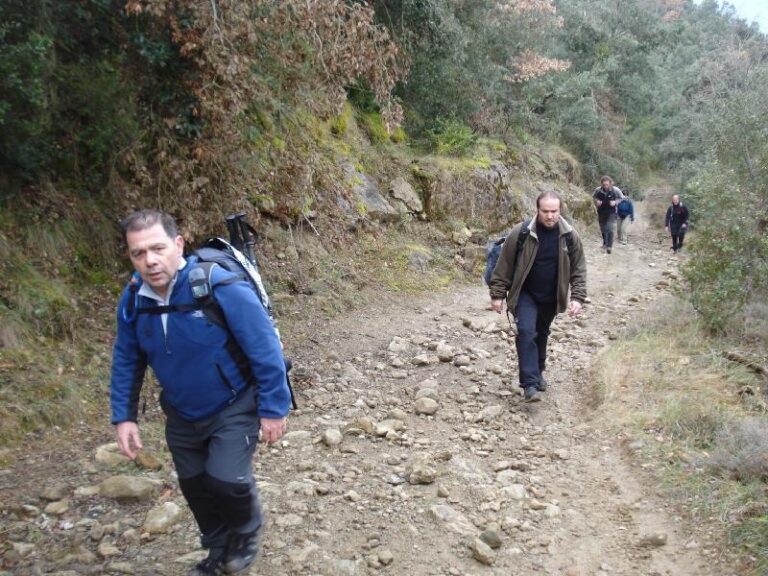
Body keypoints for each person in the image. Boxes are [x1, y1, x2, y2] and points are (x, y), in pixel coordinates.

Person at [110, 210, 292, 576]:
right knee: (194, 484)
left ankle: (246, 531)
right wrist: (124, 416)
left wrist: (274, 409)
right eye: (138, 253)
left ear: (178, 245)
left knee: (226, 478)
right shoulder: (134, 300)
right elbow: (127, 359)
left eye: (158, 248)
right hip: (181, 411)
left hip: (234, 403)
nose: (150, 260)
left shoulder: (219, 286)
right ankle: (217, 550)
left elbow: (265, 349)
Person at [489, 191, 587, 402]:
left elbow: (579, 269)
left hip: (551, 296)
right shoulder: (522, 232)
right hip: (525, 293)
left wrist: (577, 298)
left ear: (560, 210)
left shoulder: (570, 236)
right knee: (526, 332)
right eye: (545, 211)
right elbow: (504, 264)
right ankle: (529, 384)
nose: (550, 216)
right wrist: (497, 294)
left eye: (554, 211)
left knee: (541, 334)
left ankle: (539, 371)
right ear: (537, 210)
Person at [592, 175, 624, 254]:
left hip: (611, 212)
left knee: (609, 228)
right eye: (604, 184)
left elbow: (622, 198)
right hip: (601, 212)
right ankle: (605, 243)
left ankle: (609, 246)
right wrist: (596, 201)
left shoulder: (615, 190)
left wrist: (615, 202)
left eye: (607, 184)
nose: (605, 186)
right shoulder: (598, 190)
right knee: (603, 229)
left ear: (610, 183)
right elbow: (593, 197)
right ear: (601, 184)